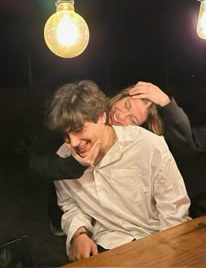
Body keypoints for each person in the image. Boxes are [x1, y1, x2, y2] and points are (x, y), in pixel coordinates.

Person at [45, 79, 191, 261]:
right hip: (108, 244)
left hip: (158, 237)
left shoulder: (149, 146)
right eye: (66, 135)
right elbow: (69, 204)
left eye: (79, 130)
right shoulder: (63, 158)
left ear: (100, 117)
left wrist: (166, 255)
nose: (73, 143)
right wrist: (78, 233)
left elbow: (174, 213)